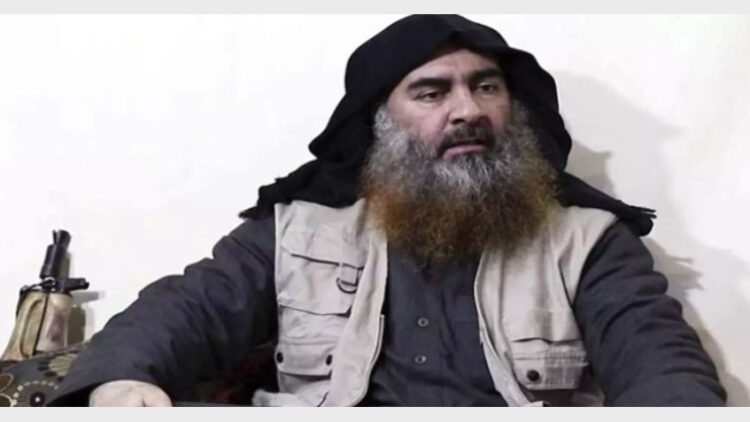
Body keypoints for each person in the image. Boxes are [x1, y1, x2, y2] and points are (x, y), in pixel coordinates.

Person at [53, 14, 726, 407]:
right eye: (432, 93)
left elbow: (660, 364)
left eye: (486, 87)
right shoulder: (298, 228)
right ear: (382, 122)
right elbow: (190, 308)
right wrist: (119, 380)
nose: (467, 110)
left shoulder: (586, 242)